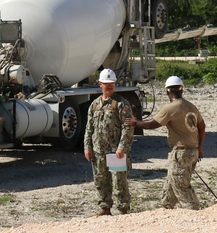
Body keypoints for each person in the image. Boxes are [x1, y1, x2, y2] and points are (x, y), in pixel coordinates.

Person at [127, 76, 206, 210]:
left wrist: (136, 123)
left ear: (167, 91)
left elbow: (152, 124)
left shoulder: (170, 108)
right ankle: (166, 208)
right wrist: (199, 147)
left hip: (180, 152)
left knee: (181, 185)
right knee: (171, 183)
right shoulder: (191, 106)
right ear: (182, 89)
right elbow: (202, 126)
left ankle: (194, 211)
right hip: (192, 150)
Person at [83, 68, 134, 216]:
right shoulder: (94, 105)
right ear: (100, 84)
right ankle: (105, 207)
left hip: (115, 152)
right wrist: (87, 147)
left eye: (112, 83)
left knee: (120, 182)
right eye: (106, 84)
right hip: (99, 150)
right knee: (101, 180)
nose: (109, 86)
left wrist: (122, 147)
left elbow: (128, 128)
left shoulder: (122, 104)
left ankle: (123, 209)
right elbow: (89, 128)